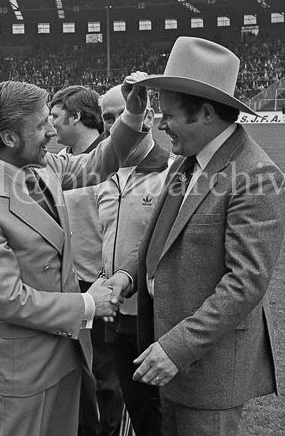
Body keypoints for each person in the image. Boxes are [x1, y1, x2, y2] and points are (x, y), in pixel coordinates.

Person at [103, 37, 285, 436]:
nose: (159, 124)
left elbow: (245, 284)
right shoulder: (186, 163)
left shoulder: (256, 176)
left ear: (206, 113)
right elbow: (160, 241)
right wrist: (129, 275)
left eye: (168, 114)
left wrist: (176, 348)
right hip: (164, 356)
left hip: (206, 370)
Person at [0, 80, 148, 436]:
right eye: (41, 125)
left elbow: (95, 164)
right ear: (10, 138)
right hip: (24, 369)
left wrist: (132, 115)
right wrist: (89, 304)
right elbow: (9, 300)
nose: (52, 131)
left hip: (68, 353)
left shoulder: (41, 166)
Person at [95, 85, 172, 436]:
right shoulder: (102, 174)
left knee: (159, 414)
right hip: (113, 313)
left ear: (149, 117)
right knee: (137, 410)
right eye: (107, 118)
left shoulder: (172, 174)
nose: (113, 126)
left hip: (154, 316)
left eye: (120, 115)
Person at [49, 85, 123, 436]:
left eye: (55, 116)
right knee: (76, 370)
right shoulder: (59, 162)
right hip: (70, 282)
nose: (50, 125)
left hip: (106, 282)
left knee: (108, 377)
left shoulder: (114, 160)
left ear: (75, 117)